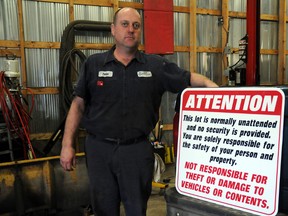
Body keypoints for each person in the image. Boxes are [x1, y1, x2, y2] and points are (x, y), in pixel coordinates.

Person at [60, 7, 218, 216]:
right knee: (104, 208)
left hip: (136, 151)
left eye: (136, 25)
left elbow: (187, 78)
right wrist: (67, 145)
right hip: (100, 150)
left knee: (137, 209)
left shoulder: (155, 65)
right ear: (113, 30)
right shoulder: (93, 64)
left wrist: (209, 84)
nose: (131, 30)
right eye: (125, 24)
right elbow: (78, 105)